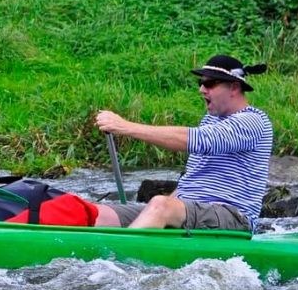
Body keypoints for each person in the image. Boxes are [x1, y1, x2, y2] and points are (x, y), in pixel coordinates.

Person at [92, 54, 272, 232]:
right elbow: (192, 179)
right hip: (189, 211)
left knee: (160, 205)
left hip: (234, 218)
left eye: (209, 84)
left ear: (234, 87)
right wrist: (166, 207)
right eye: (201, 83)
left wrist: (125, 126)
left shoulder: (253, 121)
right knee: (99, 213)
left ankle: (122, 250)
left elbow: (199, 140)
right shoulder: (210, 120)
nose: (202, 89)